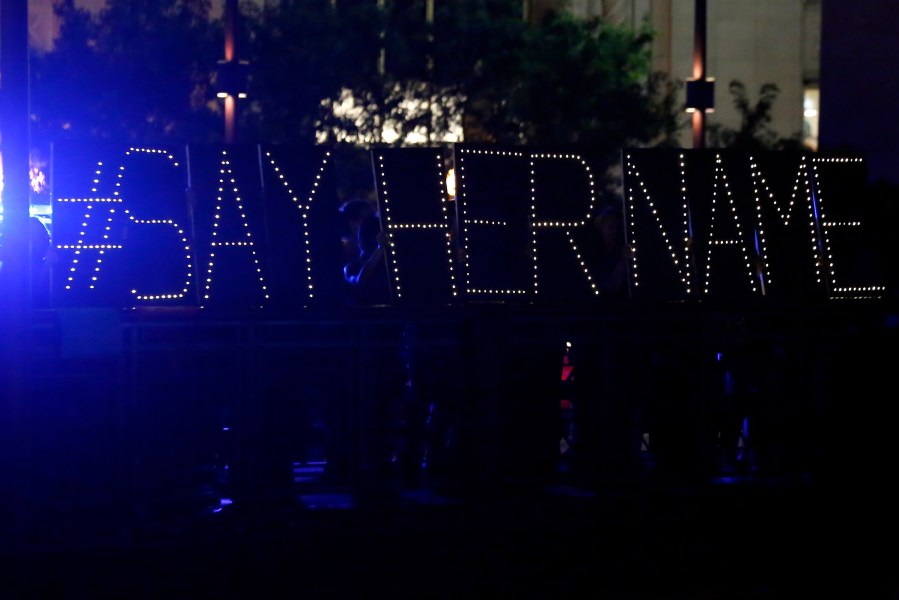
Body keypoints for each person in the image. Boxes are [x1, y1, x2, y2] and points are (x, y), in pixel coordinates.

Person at [343, 212, 391, 306]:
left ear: (360, 241)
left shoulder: (387, 265)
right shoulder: (351, 268)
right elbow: (360, 281)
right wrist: (380, 248)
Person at [590, 204, 632, 299]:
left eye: (618, 228)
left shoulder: (618, 250)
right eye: (611, 227)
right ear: (601, 228)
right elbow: (610, 288)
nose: (615, 232)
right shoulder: (594, 255)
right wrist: (623, 259)